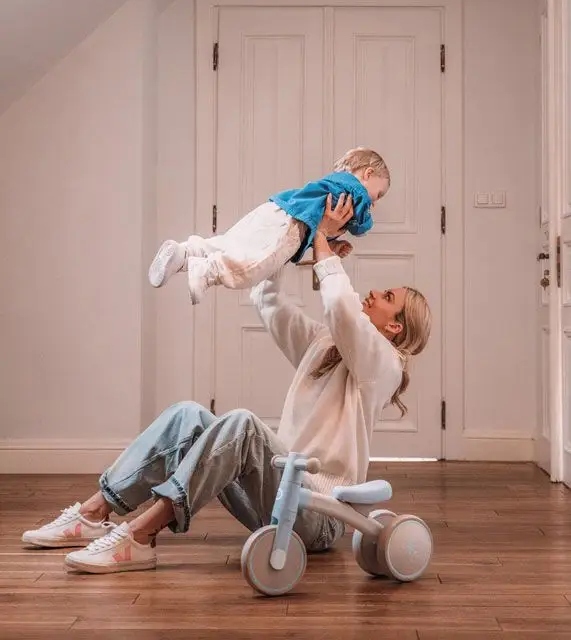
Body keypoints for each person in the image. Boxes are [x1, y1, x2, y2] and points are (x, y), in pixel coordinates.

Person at [21, 197, 431, 575]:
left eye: (387, 296)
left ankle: (140, 538)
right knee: (187, 416)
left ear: (396, 327)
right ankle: (93, 514)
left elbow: (341, 307)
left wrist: (323, 239)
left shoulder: (385, 367)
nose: (374, 293)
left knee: (243, 424)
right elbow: (268, 300)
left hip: (318, 517)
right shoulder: (327, 345)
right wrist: (297, 249)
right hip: (277, 496)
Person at [148, 147, 390, 304]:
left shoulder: (334, 186)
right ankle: (206, 271)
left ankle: (183, 254)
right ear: (368, 174)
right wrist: (365, 220)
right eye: (378, 195)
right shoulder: (354, 189)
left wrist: (331, 244)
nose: (374, 203)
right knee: (255, 266)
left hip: (275, 210)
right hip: (291, 224)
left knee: (230, 244)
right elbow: (361, 225)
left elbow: (318, 222)